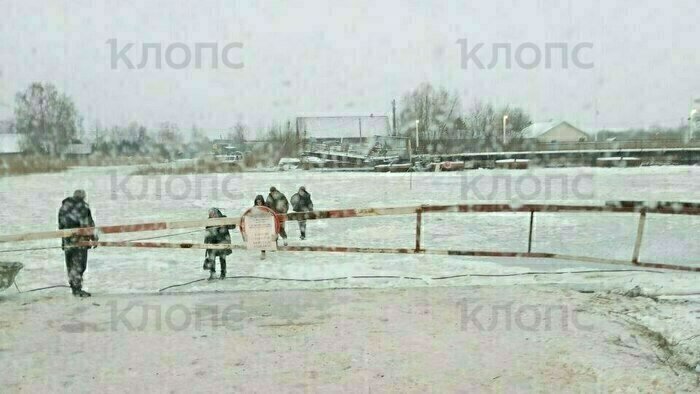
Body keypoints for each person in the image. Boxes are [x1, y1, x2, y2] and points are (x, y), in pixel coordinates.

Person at [58, 189, 98, 297]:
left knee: (70, 265)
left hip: (67, 240)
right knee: (80, 265)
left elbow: (61, 226)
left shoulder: (64, 207)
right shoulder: (83, 207)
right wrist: (93, 238)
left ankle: (74, 287)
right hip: (79, 240)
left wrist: (63, 242)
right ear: (83, 197)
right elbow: (87, 225)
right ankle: (77, 289)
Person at [203, 208, 235, 280]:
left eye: (213, 214)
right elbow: (207, 232)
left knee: (222, 258)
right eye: (210, 215)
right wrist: (206, 243)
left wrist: (225, 225)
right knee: (212, 258)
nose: (212, 216)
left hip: (222, 241)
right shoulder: (209, 221)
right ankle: (212, 274)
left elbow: (233, 226)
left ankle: (223, 274)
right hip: (212, 242)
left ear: (217, 213)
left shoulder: (223, 218)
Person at [253, 194, 268, 259]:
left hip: (265, 225)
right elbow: (251, 215)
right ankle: (263, 251)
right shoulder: (254, 208)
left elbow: (269, 214)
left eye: (260, 202)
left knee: (265, 238)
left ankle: (264, 251)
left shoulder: (266, 207)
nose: (259, 203)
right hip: (257, 226)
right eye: (257, 202)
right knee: (261, 239)